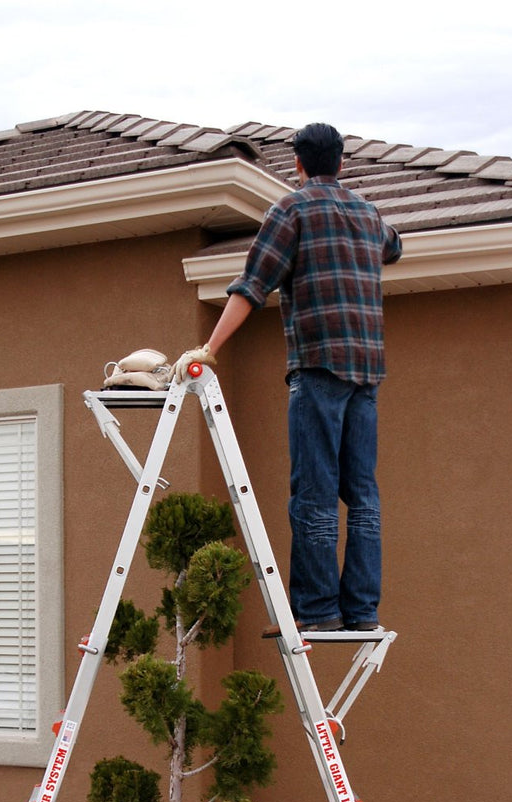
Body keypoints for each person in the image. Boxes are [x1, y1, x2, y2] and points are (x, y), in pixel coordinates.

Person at [174, 122, 402, 633]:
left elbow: (252, 286)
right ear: (342, 163)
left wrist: (209, 348)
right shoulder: (368, 214)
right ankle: (362, 611)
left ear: (297, 164)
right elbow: (394, 247)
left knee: (314, 492)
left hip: (319, 365)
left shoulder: (291, 209)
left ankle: (318, 612)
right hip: (367, 372)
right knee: (362, 493)